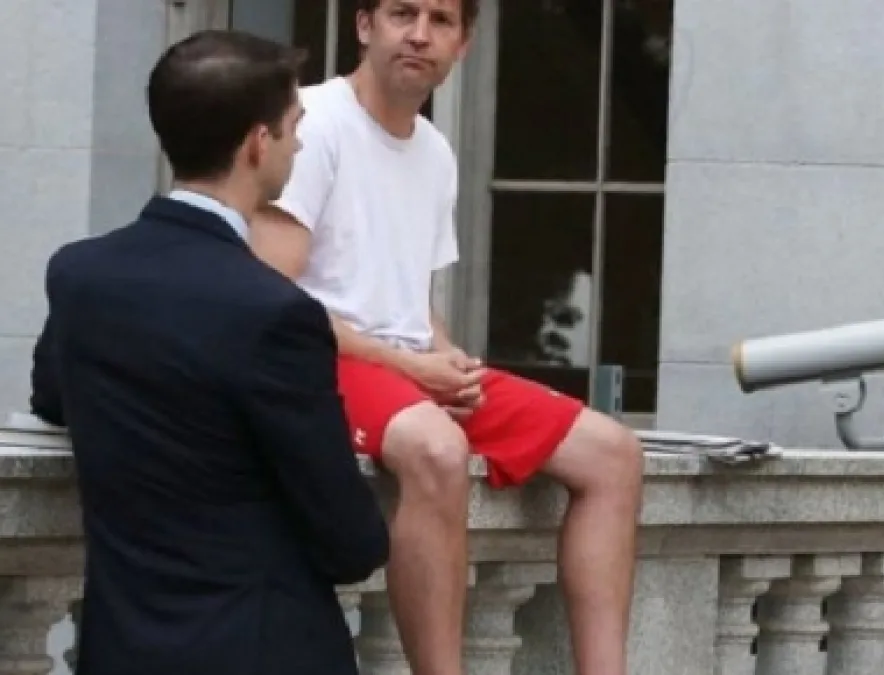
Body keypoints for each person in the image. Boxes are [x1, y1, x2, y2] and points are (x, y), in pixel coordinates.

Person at [248, 1, 645, 673]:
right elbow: (271, 299)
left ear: (463, 43)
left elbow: (411, 300)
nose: (420, 34)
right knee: (438, 449)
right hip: (323, 360)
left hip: (404, 367)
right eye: (403, 13)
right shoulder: (312, 123)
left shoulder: (434, 151)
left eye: (440, 20)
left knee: (614, 453)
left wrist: (445, 353)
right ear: (365, 25)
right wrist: (408, 363)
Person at [29, 30, 390, 675]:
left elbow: (54, 398)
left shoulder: (82, 274)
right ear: (257, 143)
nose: (299, 144)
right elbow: (351, 542)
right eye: (293, 126)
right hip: (264, 651)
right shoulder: (276, 313)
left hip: (122, 650)